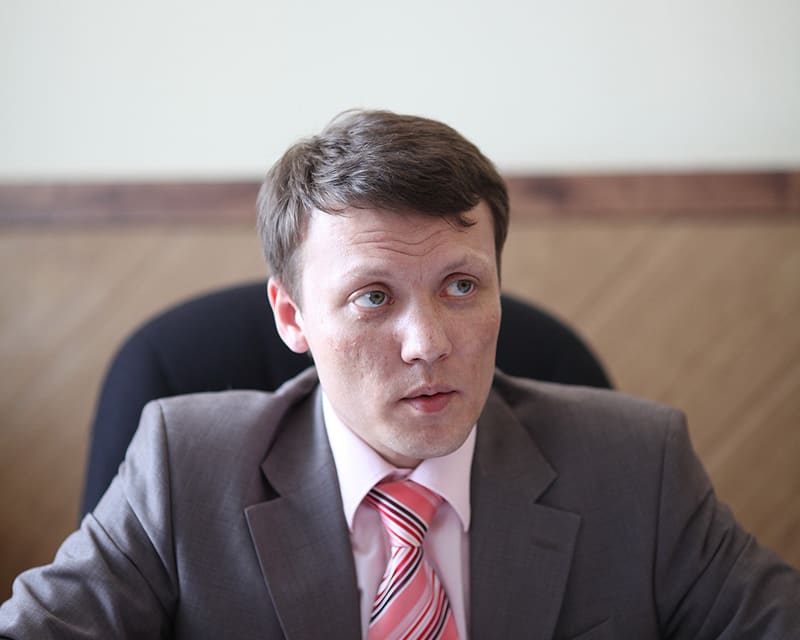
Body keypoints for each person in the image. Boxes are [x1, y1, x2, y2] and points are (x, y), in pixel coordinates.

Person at [1, 110, 798, 639]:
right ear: (292, 316)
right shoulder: (186, 466)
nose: (428, 343)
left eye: (462, 286)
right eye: (373, 297)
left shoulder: (636, 464)